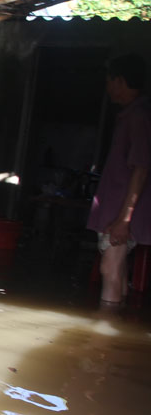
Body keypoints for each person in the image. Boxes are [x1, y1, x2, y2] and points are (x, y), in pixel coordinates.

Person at [87, 53, 151, 304]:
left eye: (109, 81)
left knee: (110, 268)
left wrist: (125, 219)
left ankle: (104, 334)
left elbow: (142, 167)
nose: (107, 87)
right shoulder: (132, 114)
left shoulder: (139, 116)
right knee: (118, 268)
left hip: (122, 214)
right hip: (119, 212)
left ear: (120, 81)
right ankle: (118, 325)